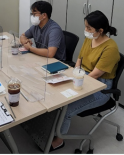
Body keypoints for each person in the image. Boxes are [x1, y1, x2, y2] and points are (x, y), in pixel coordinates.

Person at [51, 10, 120, 151]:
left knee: (67, 108)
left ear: (100, 30)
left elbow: (95, 75)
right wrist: (75, 72)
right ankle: (53, 127)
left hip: (101, 87)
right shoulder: (90, 39)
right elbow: (79, 59)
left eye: (89, 28)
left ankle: (59, 140)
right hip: (83, 75)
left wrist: (75, 81)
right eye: (85, 27)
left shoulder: (110, 48)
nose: (85, 31)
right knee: (56, 93)